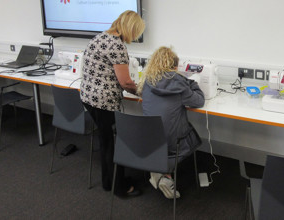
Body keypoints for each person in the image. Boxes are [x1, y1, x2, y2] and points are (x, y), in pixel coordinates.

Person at [80, 10, 145, 197]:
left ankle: (108, 182)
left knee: (106, 140)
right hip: (103, 102)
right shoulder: (117, 46)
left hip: (88, 97)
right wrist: (142, 91)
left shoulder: (99, 37)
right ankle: (119, 187)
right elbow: (125, 82)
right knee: (111, 144)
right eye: (136, 32)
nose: (135, 36)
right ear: (131, 28)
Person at [137, 46, 205, 199]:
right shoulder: (179, 84)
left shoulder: (147, 82)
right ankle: (162, 173)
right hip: (173, 144)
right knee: (189, 135)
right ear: (175, 67)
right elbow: (199, 101)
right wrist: (192, 83)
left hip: (150, 142)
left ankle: (160, 172)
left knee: (164, 130)